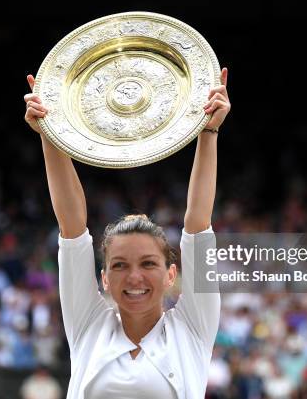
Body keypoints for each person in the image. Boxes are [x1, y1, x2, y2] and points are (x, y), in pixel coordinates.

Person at [24, 67, 231, 399]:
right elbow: (72, 229)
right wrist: (50, 131)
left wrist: (209, 132)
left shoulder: (192, 328)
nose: (134, 277)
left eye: (148, 264)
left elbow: (198, 226)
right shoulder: (89, 325)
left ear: (171, 274)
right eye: (120, 265)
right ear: (104, 278)